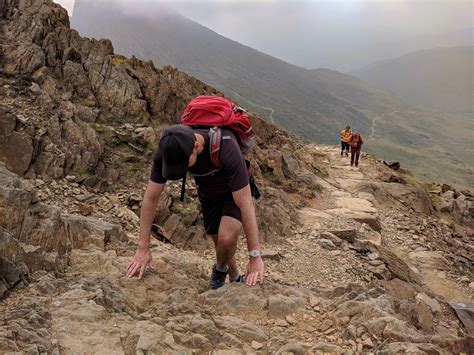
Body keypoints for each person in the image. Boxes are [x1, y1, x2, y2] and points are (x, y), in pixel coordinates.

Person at [126, 124, 264, 290]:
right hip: (207, 192)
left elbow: (246, 204)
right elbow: (151, 197)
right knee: (218, 240)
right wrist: (143, 248)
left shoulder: (226, 147)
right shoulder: (168, 149)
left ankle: (219, 271)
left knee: (226, 237)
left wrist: (254, 256)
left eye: (183, 165)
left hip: (233, 190)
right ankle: (234, 276)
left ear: (196, 146)